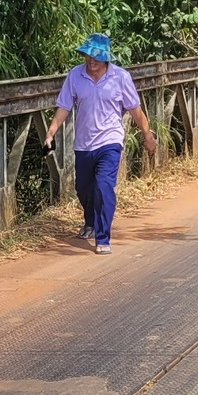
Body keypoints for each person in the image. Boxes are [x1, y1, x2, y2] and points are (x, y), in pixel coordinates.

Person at [43, 32, 158, 254]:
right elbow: (64, 107)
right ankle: (90, 222)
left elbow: (135, 110)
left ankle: (103, 237)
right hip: (84, 144)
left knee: (104, 187)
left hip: (110, 141)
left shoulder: (121, 77)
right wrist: (50, 133)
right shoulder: (75, 76)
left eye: (95, 56)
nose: (91, 60)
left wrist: (148, 136)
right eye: (87, 55)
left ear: (106, 57)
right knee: (84, 189)